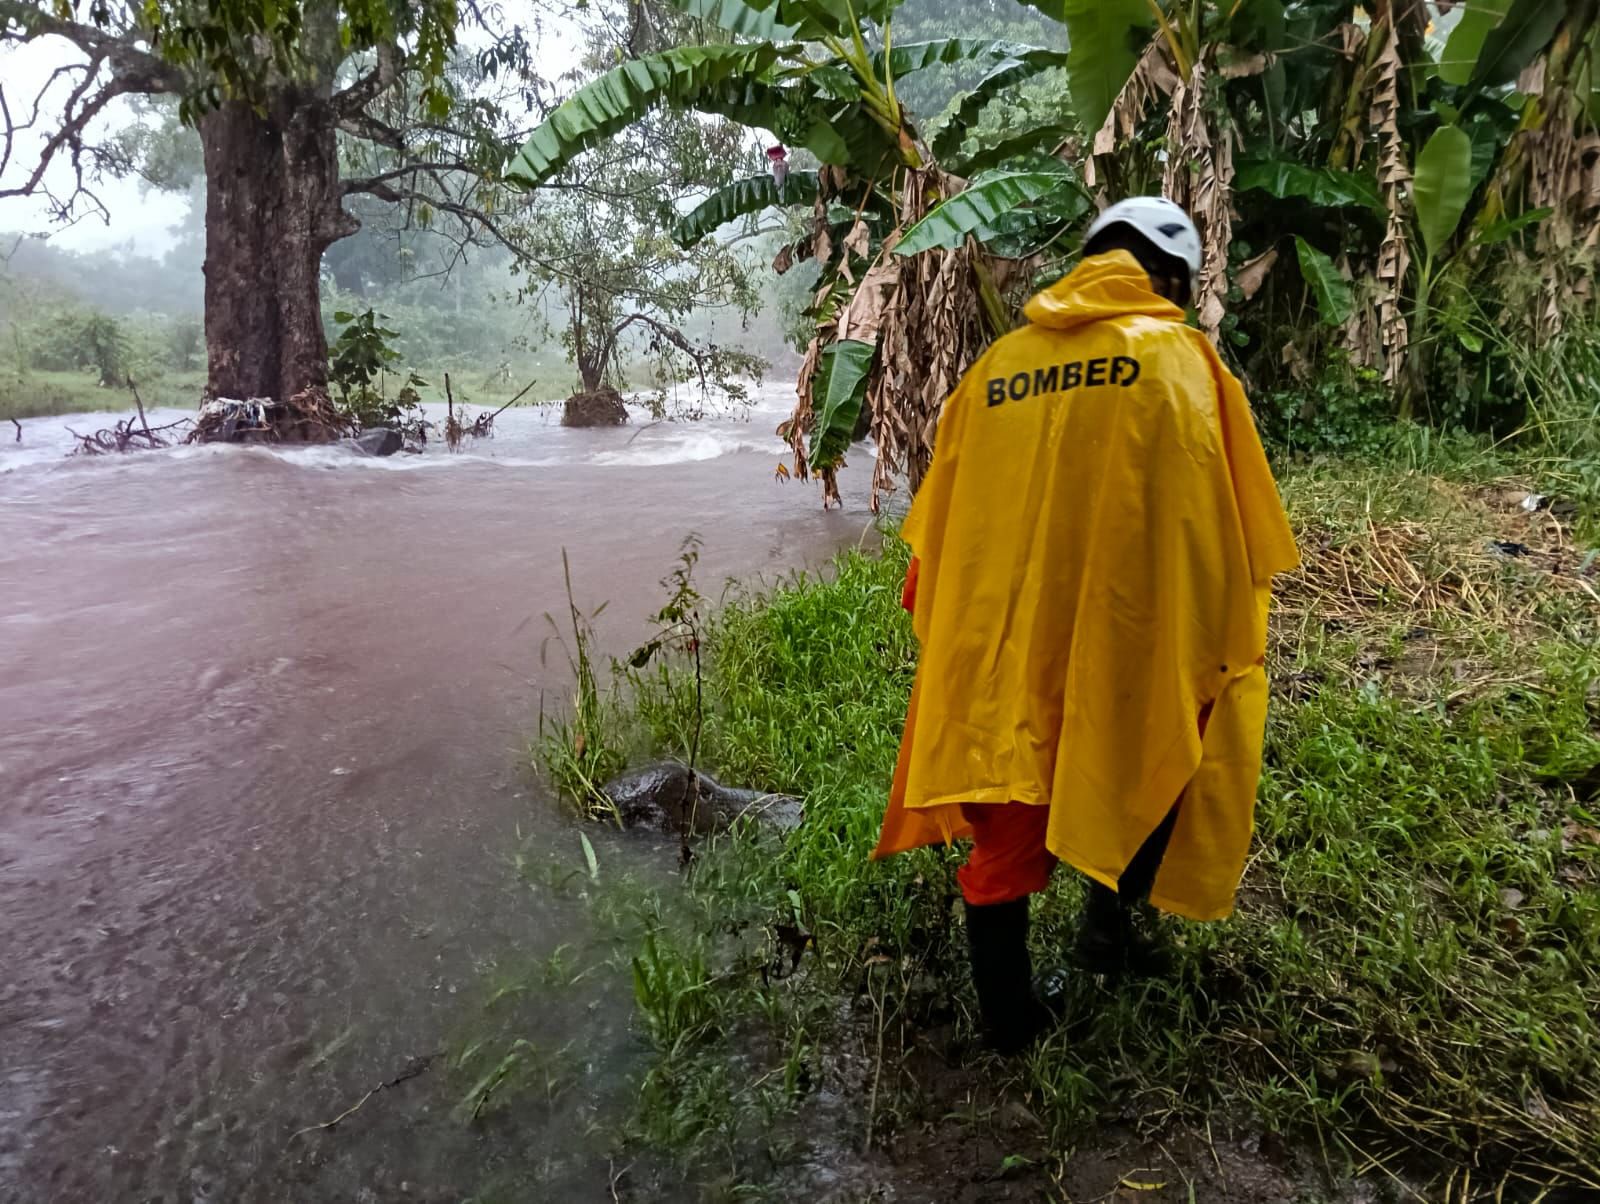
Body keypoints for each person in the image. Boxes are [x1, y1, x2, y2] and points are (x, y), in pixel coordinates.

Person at [872, 197, 1300, 1054]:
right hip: (1127, 644)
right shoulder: (1183, 363)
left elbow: (932, 551)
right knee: (1146, 770)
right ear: (1169, 275)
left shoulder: (996, 367)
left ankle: (1010, 1026)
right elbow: (1231, 543)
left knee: (1001, 829)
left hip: (997, 658)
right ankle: (1111, 936)